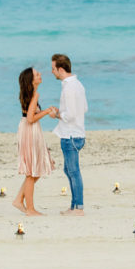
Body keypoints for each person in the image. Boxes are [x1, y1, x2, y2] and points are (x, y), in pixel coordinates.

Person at [13, 67, 57, 216]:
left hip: (29, 130)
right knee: (32, 171)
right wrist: (47, 111)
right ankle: (30, 209)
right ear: (31, 81)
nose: (40, 75)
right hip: (30, 131)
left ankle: (19, 199)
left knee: (36, 169)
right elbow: (31, 118)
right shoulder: (34, 95)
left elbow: (29, 116)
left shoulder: (31, 94)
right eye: (37, 74)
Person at [48, 53, 88, 216]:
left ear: (61, 69)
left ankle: (78, 208)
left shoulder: (70, 87)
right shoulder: (77, 84)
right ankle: (74, 206)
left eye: (53, 69)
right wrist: (61, 112)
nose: (52, 72)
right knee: (69, 170)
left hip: (71, 135)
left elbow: (71, 115)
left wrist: (56, 115)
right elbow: (83, 108)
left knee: (73, 171)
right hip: (75, 133)